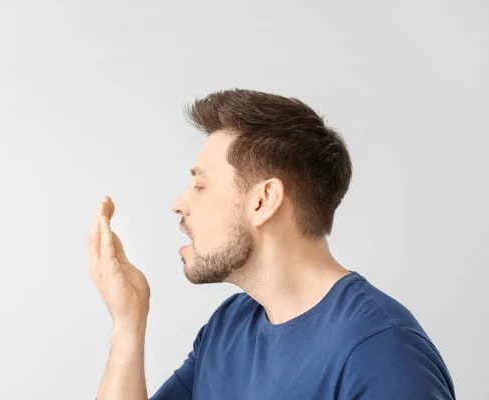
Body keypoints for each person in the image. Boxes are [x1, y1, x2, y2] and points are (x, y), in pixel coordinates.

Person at [87, 89, 455, 399]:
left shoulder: (381, 352)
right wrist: (127, 321)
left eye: (200, 186)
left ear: (263, 201)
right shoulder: (228, 328)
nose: (179, 203)